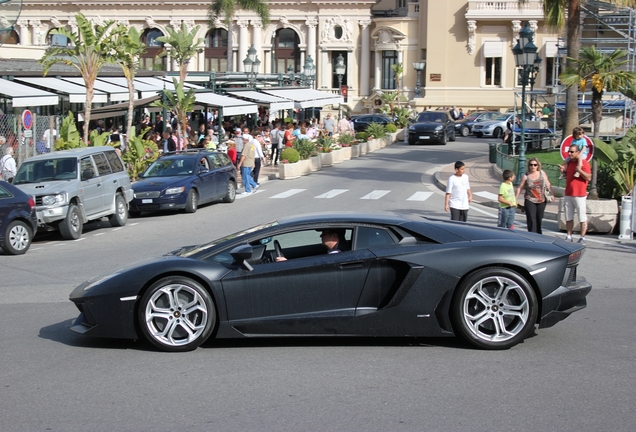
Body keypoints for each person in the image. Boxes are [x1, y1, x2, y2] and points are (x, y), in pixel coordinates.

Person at [559, 144, 592, 244]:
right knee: (568, 216)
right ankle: (569, 235)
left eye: (572, 152)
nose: (569, 153)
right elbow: (568, 176)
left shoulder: (584, 163)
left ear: (578, 153)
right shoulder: (569, 163)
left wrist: (580, 170)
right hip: (569, 193)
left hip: (580, 195)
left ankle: (582, 237)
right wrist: (563, 172)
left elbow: (588, 177)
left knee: (582, 216)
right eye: (569, 151)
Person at [515, 158, 553, 234]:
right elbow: (520, 187)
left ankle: (539, 235)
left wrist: (552, 194)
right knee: (531, 219)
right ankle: (532, 235)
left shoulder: (542, 173)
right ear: (528, 166)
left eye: (535, 165)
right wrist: (515, 198)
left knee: (539, 218)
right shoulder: (526, 176)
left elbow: (548, 184)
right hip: (530, 200)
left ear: (537, 166)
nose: (533, 166)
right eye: (531, 165)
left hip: (541, 200)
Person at [276, 229, 345, 261]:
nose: (321, 236)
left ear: (334, 236)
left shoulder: (336, 256)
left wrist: (287, 264)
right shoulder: (337, 253)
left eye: (324, 234)